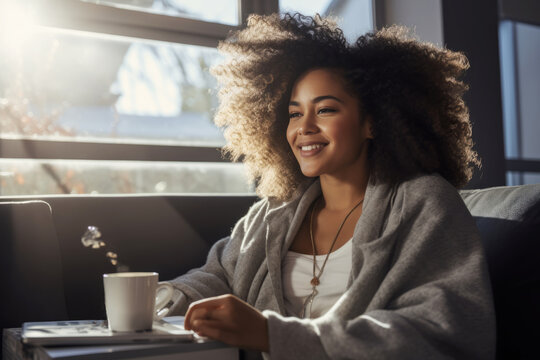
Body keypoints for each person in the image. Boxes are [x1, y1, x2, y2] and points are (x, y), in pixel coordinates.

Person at [168, 13, 495, 359]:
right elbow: (216, 277)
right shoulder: (271, 214)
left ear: (372, 122)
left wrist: (272, 334)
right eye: (294, 113)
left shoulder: (424, 202)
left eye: (325, 110)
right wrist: (157, 302)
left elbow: (442, 331)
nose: (304, 127)